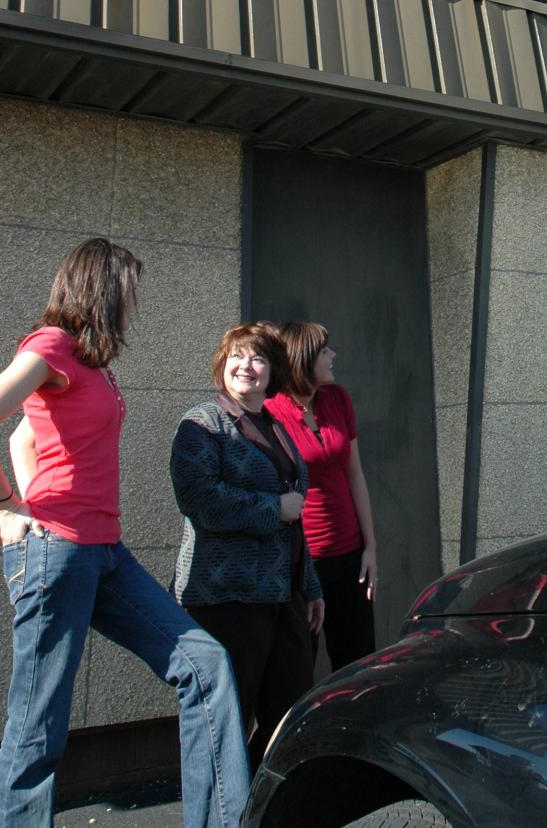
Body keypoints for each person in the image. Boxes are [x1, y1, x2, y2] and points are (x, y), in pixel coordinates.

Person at [0, 238, 250, 828]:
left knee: (204, 665)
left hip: (104, 551)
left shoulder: (91, 364)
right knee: (40, 726)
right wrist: (9, 514)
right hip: (58, 554)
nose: (133, 303)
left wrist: (29, 496)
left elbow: (22, 438)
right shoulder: (50, 345)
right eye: (129, 290)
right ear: (102, 289)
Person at [170, 322, 324, 769]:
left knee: (289, 715)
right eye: (237, 355)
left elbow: (296, 520)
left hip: (283, 596)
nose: (246, 366)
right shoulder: (202, 424)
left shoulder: (276, 426)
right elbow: (199, 501)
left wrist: (310, 588)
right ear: (222, 364)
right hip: (227, 599)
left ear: (272, 370)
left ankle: (263, 807)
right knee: (225, 722)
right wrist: (272, 507)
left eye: (258, 358)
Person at [267, 322, 377, 672]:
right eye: (324, 350)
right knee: (297, 665)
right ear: (303, 359)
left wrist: (370, 547)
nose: (333, 355)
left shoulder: (337, 399)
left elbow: (355, 474)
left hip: (350, 555)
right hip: (303, 560)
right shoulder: (272, 411)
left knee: (357, 663)